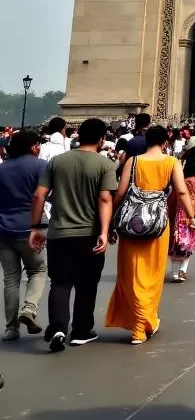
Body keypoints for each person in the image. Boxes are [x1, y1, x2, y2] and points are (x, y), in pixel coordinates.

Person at [29, 117, 117, 352]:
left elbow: (39, 195)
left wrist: (36, 227)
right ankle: (81, 330)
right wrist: (105, 232)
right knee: (87, 284)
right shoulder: (104, 164)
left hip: (59, 234)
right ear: (101, 139)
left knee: (60, 282)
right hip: (90, 233)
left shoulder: (57, 161)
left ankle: (57, 327)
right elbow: (105, 198)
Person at [105, 125, 193, 344]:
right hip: (157, 224)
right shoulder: (171, 162)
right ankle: (142, 325)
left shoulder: (132, 162)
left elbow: (121, 192)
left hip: (131, 225)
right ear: (165, 142)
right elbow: (181, 191)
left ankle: (140, 324)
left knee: (131, 275)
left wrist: (111, 219)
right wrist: (191, 215)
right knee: (151, 276)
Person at [0, 129, 47, 339]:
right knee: (37, 270)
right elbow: (45, 196)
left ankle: (11, 328)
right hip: (29, 228)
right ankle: (28, 309)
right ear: (31, 146)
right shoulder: (39, 166)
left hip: (3, 228)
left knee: (10, 279)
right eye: (37, 144)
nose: (39, 147)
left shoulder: (2, 168)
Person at [169, 139, 195, 282]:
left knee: (177, 241)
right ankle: (182, 271)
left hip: (179, 213)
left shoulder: (183, 181)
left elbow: (174, 196)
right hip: (192, 213)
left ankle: (174, 272)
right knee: (189, 242)